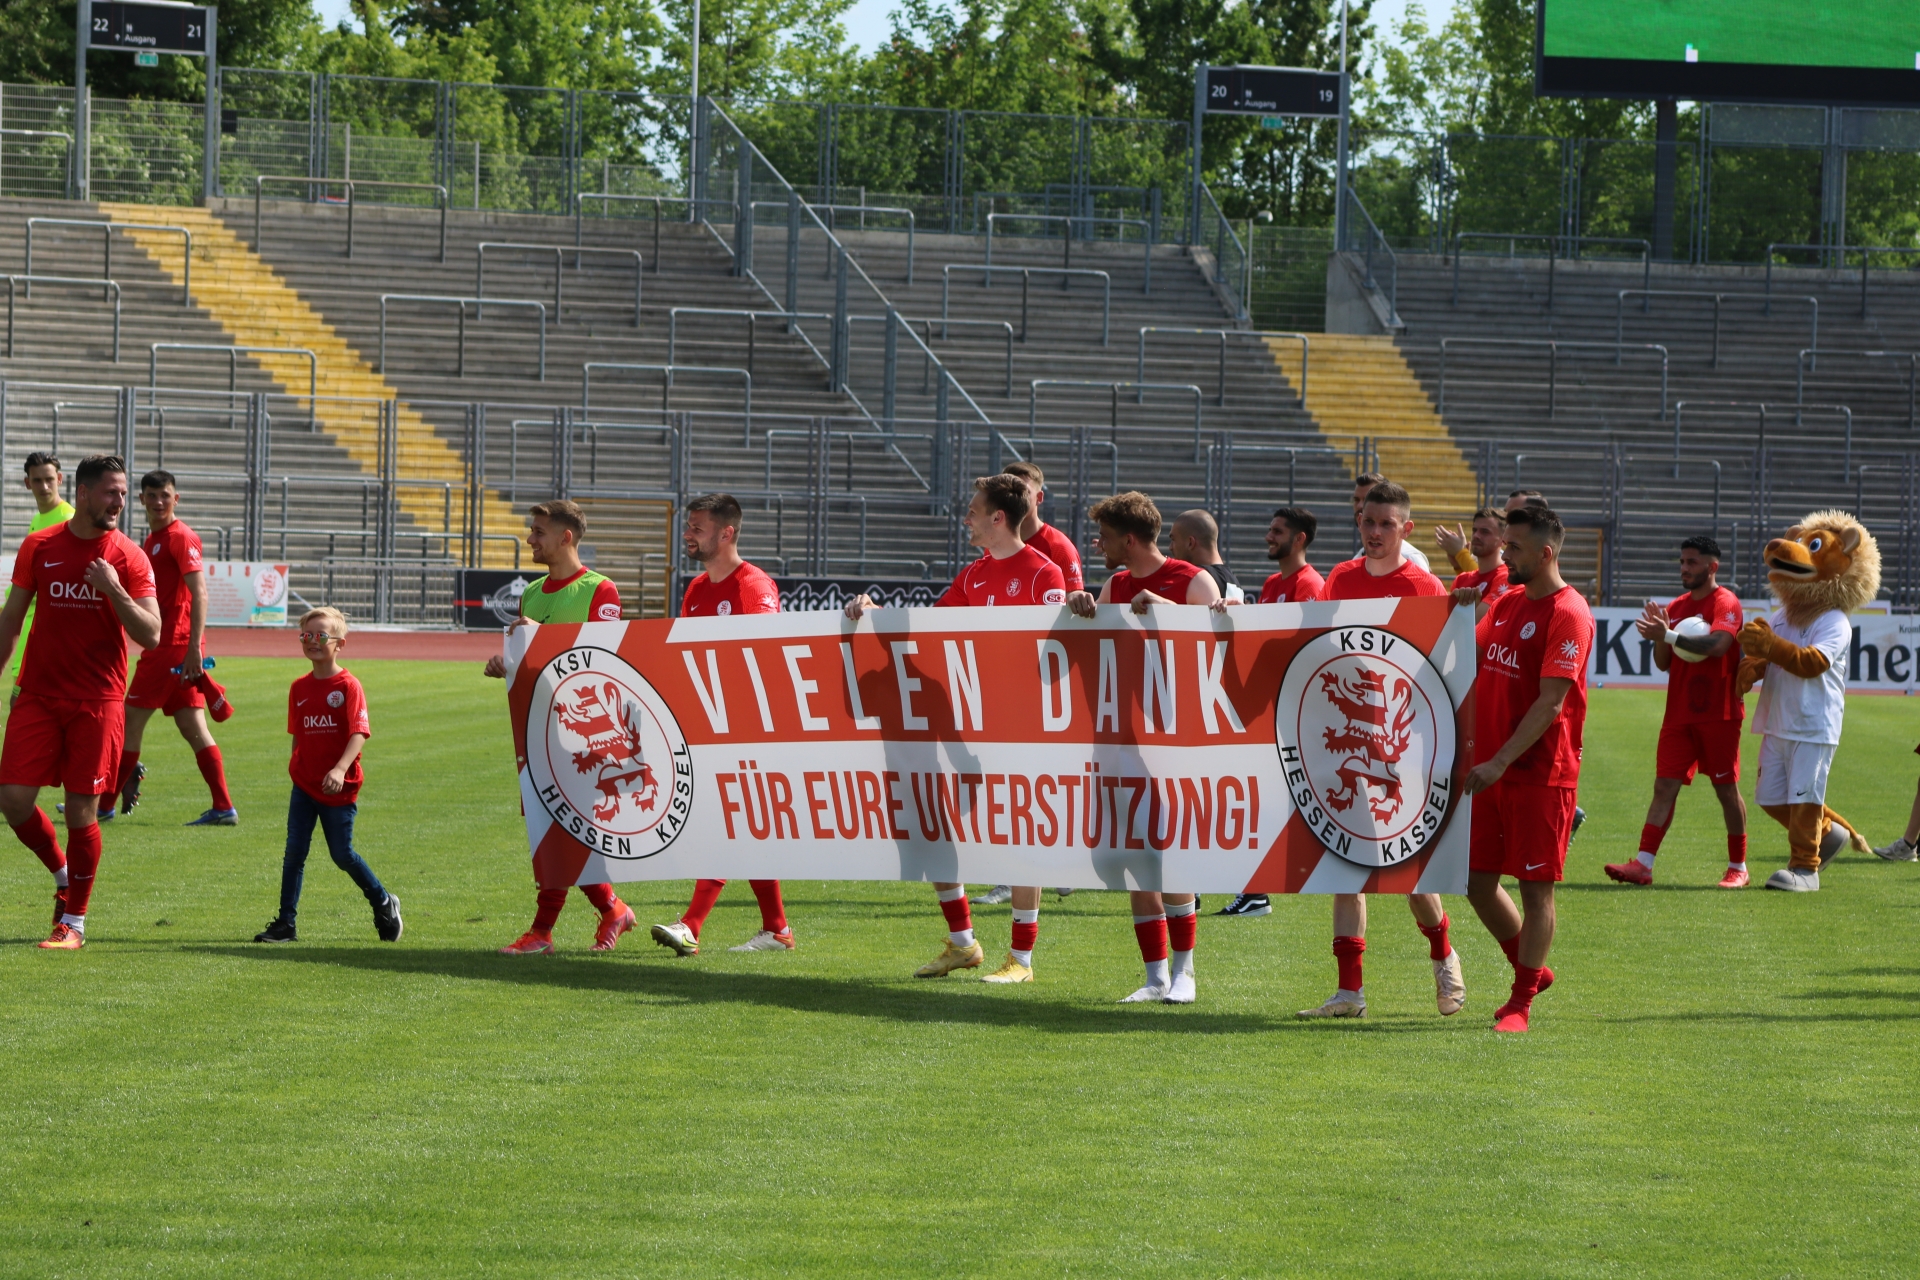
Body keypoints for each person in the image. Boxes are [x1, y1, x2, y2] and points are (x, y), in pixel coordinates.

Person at [847, 475, 1066, 984]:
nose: (965, 518)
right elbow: (931, 628)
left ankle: (1022, 961)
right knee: (934, 828)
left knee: (1021, 838)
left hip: (1021, 728)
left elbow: (1056, 651)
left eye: (973, 510)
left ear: (998, 518)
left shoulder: (1044, 573)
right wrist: (877, 613)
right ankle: (964, 943)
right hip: (965, 726)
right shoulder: (974, 575)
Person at [1297, 481, 1464, 1019]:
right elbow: (1316, 644)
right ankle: (1350, 994)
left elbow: (1442, 664)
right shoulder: (1341, 578)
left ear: (1406, 529)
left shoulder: (1423, 585)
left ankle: (1444, 957)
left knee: (1408, 874)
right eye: (1368, 522)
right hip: (1348, 739)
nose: (1374, 532)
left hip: (1401, 743)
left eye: (1386, 524)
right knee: (1345, 869)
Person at [1066, 491, 1220, 1003]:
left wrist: (1167, 610)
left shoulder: (1192, 580)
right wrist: (1079, 610)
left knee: (1169, 856)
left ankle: (1185, 972)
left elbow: (1218, 649)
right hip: (1120, 738)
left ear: (1129, 540)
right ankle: (1154, 977)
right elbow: (1092, 654)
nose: (1099, 545)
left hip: (1174, 741)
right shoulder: (1113, 585)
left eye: (1105, 537)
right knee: (1129, 856)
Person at [0, 454, 160, 948]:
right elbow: (11, 620)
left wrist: (114, 590)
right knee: (13, 799)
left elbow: (151, 634)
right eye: (111, 492)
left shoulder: (129, 557)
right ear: (84, 492)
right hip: (38, 694)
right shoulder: (40, 545)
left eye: (123, 493)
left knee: (80, 812)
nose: (119, 502)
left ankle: (74, 922)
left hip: (98, 701)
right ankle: (63, 875)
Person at [1456, 504, 1593, 1033]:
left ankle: (1520, 1004)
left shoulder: (1569, 613)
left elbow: (1550, 703)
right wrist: (1460, 615)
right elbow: (1466, 655)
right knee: (1475, 882)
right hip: (1491, 768)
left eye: (1513, 547)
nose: (1503, 553)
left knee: (1536, 890)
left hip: (1540, 773)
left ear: (1546, 553)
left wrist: (1499, 760)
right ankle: (1531, 971)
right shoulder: (1508, 601)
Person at [484, 500, 636, 954]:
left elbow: (602, 660)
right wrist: (507, 664)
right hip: (539, 729)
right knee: (559, 829)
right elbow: (532, 661)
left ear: (565, 537)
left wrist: (542, 638)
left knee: (561, 829)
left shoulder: (600, 590)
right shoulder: (532, 592)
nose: (530, 539)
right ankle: (611, 909)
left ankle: (543, 931)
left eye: (538, 531)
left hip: (588, 733)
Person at [650, 494, 794, 957]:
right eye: (689, 526)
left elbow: (767, 652)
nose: (688, 534)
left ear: (726, 533)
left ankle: (691, 925)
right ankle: (777, 929)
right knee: (743, 826)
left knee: (724, 822)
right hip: (709, 725)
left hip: (748, 726)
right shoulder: (696, 589)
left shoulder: (753, 585)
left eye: (697, 527)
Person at [1605, 537, 1750, 888]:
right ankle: (1643, 864)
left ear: (1712, 567)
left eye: (1692, 562)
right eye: (1682, 562)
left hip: (1719, 713)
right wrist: (1660, 637)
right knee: (1664, 786)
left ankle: (1739, 867)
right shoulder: (1677, 605)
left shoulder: (1725, 602)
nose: (1684, 568)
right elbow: (1662, 662)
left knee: (1725, 789)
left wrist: (1668, 635)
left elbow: (1720, 645)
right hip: (1680, 714)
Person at [252, 608, 401, 943]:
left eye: (320, 636)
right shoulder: (299, 687)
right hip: (304, 785)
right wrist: (296, 765)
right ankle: (285, 924)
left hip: (338, 787)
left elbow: (359, 733)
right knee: (294, 853)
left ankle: (382, 901)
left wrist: (339, 768)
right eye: (306, 635)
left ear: (339, 643)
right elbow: (298, 734)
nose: (312, 641)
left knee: (342, 854)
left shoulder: (348, 685)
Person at [99, 470, 236, 826]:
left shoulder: (180, 537)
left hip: (171, 648)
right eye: (152, 495)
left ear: (176, 499)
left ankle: (104, 804)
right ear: (141, 499)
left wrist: (194, 648)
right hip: (174, 646)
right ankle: (223, 807)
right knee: (193, 726)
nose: (159, 502)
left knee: (128, 721)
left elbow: (199, 592)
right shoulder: (154, 539)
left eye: (165, 495)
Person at [979, 461, 1085, 907]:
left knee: (1035, 786)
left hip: (1040, 690)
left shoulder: (1055, 551)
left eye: (1022, 488)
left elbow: (1068, 612)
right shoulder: (987, 558)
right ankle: (1031, 870)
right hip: (999, 692)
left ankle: (1049, 865)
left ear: (1037, 497)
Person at [7, 452, 76, 709]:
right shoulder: (37, 520)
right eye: (37, 480)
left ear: (60, 479)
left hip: (52, 630)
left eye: (49, 479)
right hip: (31, 626)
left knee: (22, 705)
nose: (44, 486)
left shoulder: (69, 520)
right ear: (28, 483)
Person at [1350, 473, 1430, 571]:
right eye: (1356, 500)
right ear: (1360, 521)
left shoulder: (1412, 560)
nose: (1360, 506)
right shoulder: (1356, 560)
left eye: (1367, 498)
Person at [1436, 507, 1511, 605]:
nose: (1476, 535)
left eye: (1485, 532)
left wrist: (1460, 553)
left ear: (1503, 539)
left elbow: (1484, 615)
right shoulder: (1461, 579)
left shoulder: (1507, 577)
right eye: (1474, 530)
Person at [1169, 509, 1243, 603]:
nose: (1170, 547)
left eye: (1173, 540)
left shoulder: (1197, 579)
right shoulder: (1235, 582)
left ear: (1190, 543)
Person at [1256, 506, 1324, 605]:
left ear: (1299, 539)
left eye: (1277, 532)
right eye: (1270, 530)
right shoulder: (1270, 582)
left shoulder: (1309, 584)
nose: (1268, 537)